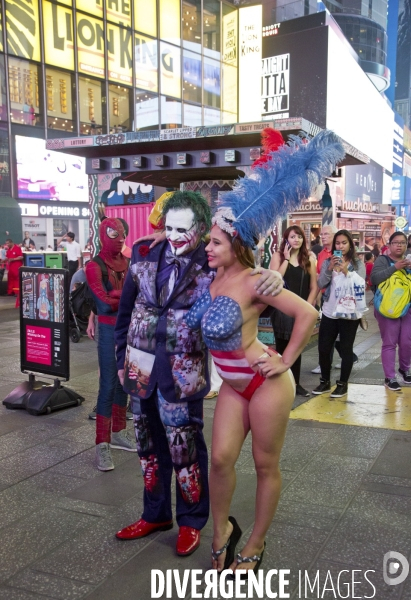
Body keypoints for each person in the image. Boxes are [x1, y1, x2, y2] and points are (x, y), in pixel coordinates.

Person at [113, 191, 283, 557]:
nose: (174, 236)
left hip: (182, 374)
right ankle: (154, 514)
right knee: (147, 449)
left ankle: (192, 522)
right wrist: (119, 362)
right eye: (168, 227)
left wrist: (271, 275)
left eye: (183, 229)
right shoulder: (142, 255)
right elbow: (124, 312)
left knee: (185, 450)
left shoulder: (212, 263)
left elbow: (248, 281)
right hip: (139, 370)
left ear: (202, 230)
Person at [185, 221, 317, 574]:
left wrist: (286, 359)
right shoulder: (211, 279)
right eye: (207, 242)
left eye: (215, 243)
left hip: (265, 384)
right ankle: (222, 531)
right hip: (233, 385)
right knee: (220, 460)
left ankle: (256, 542)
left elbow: (308, 312)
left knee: (264, 465)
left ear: (236, 245)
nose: (207, 248)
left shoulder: (255, 279)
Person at [85, 218, 137, 471]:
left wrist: (116, 295)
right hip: (108, 329)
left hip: (126, 328)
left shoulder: (127, 263)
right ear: (105, 235)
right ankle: (101, 444)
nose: (120, 238)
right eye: (114, 234)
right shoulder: (94, 265)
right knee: (108, 385)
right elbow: (104, 304)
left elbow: (136, 296)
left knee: (124, 383)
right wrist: (122, 296)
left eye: (122, 234)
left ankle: (118, 431)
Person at [312, 230, 366, 398]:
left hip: (349, 313)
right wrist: (329, 269)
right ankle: (325, 382)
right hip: (329, 310)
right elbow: (320, 283)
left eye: (344, 243)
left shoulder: (357, 263)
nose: (340, 246)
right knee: (324, 348)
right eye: (338, 243)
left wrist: (345, 271)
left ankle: (342, 384)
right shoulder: (328, 261)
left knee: (346, 348)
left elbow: (361, 284)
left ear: (350, 244)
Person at [269, 225, 317, 397]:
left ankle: (295, 383)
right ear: (286, 239)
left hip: (301, 311)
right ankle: (282, 383)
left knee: (298, 346)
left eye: (299, 237)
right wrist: (287, 260)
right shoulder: (278, 256)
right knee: (283, 346)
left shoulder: (308, 259)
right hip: (282, 310)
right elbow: (274, 279)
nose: (296, 239)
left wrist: (308, 308)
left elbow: (314, 287)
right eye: (292, 237)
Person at [370, 231, 411, 392]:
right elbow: (374, 279)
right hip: (387, 308)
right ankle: (390, 377)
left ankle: (404, 369)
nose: (399, 245)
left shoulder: (409, 261)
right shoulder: (383, 260)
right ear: (389, 245)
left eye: (402, 242)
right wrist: (395, 268)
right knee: (389, 342)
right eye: (396, 242)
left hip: (407, 307)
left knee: (407, 341)